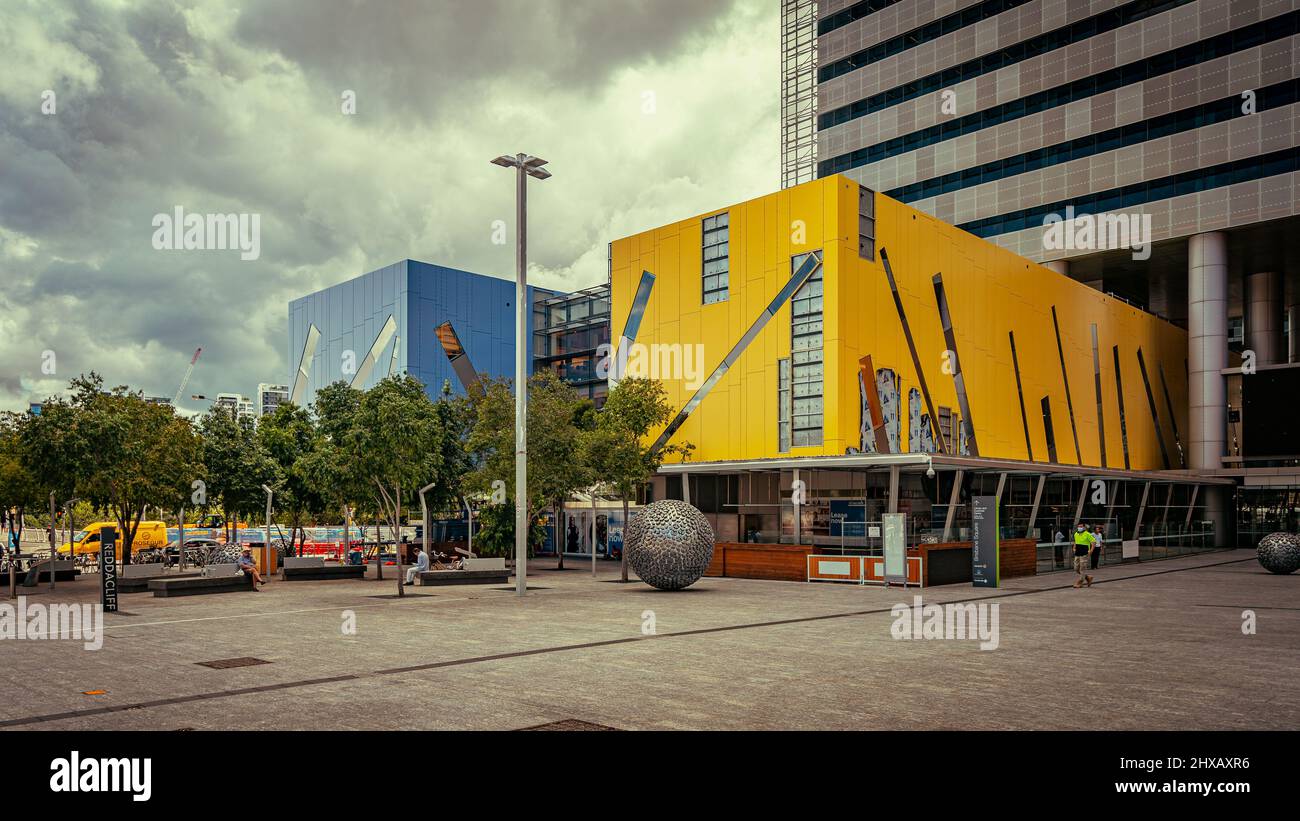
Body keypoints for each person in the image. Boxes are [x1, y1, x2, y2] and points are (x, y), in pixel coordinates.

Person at [1071, 524, 1094, 588]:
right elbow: (1075, 541)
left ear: (1084, 527)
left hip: (1085, 553)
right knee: (1076, 568)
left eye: (1081, 527)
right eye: (1078, 526)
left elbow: (1093, 542)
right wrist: (1074, 547)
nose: (1079, 528)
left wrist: (1091, 550)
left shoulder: (1087, 534)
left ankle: (1080, 583)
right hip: (1078, 552)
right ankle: (1088, 577)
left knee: (1082, 569)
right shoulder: (1076, 534)